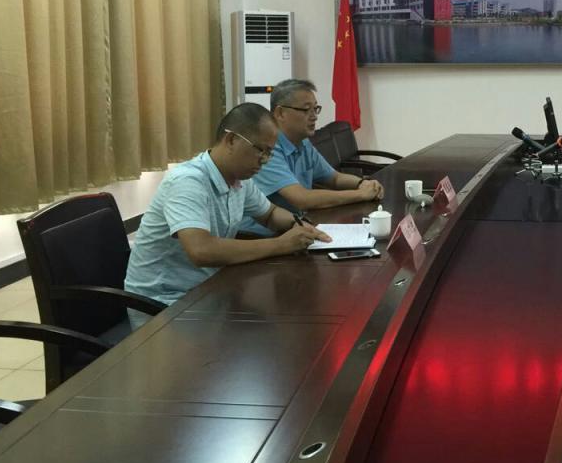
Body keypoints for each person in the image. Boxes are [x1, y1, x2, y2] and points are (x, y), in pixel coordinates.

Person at [125, 103, 330, 307]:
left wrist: (297, 224)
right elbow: (201, 250)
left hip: (209, 289)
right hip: (164, 303)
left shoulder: (240, 179)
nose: (265, 160)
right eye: (261, 150)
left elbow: (270, 214)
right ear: (231, 140)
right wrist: (282, 244)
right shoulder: (187, 181)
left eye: (270, 153)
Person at [240, 79, 383, 237]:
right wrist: (360, 194)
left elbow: (333, 178)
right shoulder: (268, 149)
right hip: (261, 236)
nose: (314, 116)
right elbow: (302, 199)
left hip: (296, 226)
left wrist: (362, 183)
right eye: (306, 109)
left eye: (316, 109)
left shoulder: (303, 142)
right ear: (280, 113)